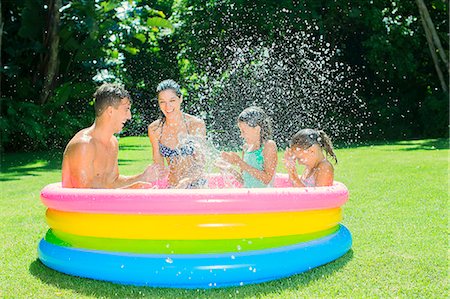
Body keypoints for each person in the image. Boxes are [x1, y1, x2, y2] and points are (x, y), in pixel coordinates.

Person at [62, 83, 167, 188]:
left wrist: (142, 177)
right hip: (74, 205)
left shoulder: (112, 143)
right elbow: (84, 194)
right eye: (126, 109)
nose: (129, 116)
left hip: (102, 204)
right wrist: (127, 191)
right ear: (110, 111)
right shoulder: (84, 145)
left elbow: (112, 181)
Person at [148, 79, 207, 188]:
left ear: (180, 99)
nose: (167, 106)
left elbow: (201, 163)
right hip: (173, 187)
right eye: (162, 102)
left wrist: (185, 181)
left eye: (172, 100)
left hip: (196, 186)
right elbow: (158, 165)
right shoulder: (155, 129)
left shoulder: (194, 125)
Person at [218, 106, 278, 188]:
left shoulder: (268, 146)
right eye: (240, 131)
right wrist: (229, 168)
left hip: (264, 198)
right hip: (248, 197)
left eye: (243, 131)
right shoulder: (246, 148)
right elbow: (245, 180)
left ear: (257, 129)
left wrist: (239, 162)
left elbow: (267, 179)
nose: (241, 135)